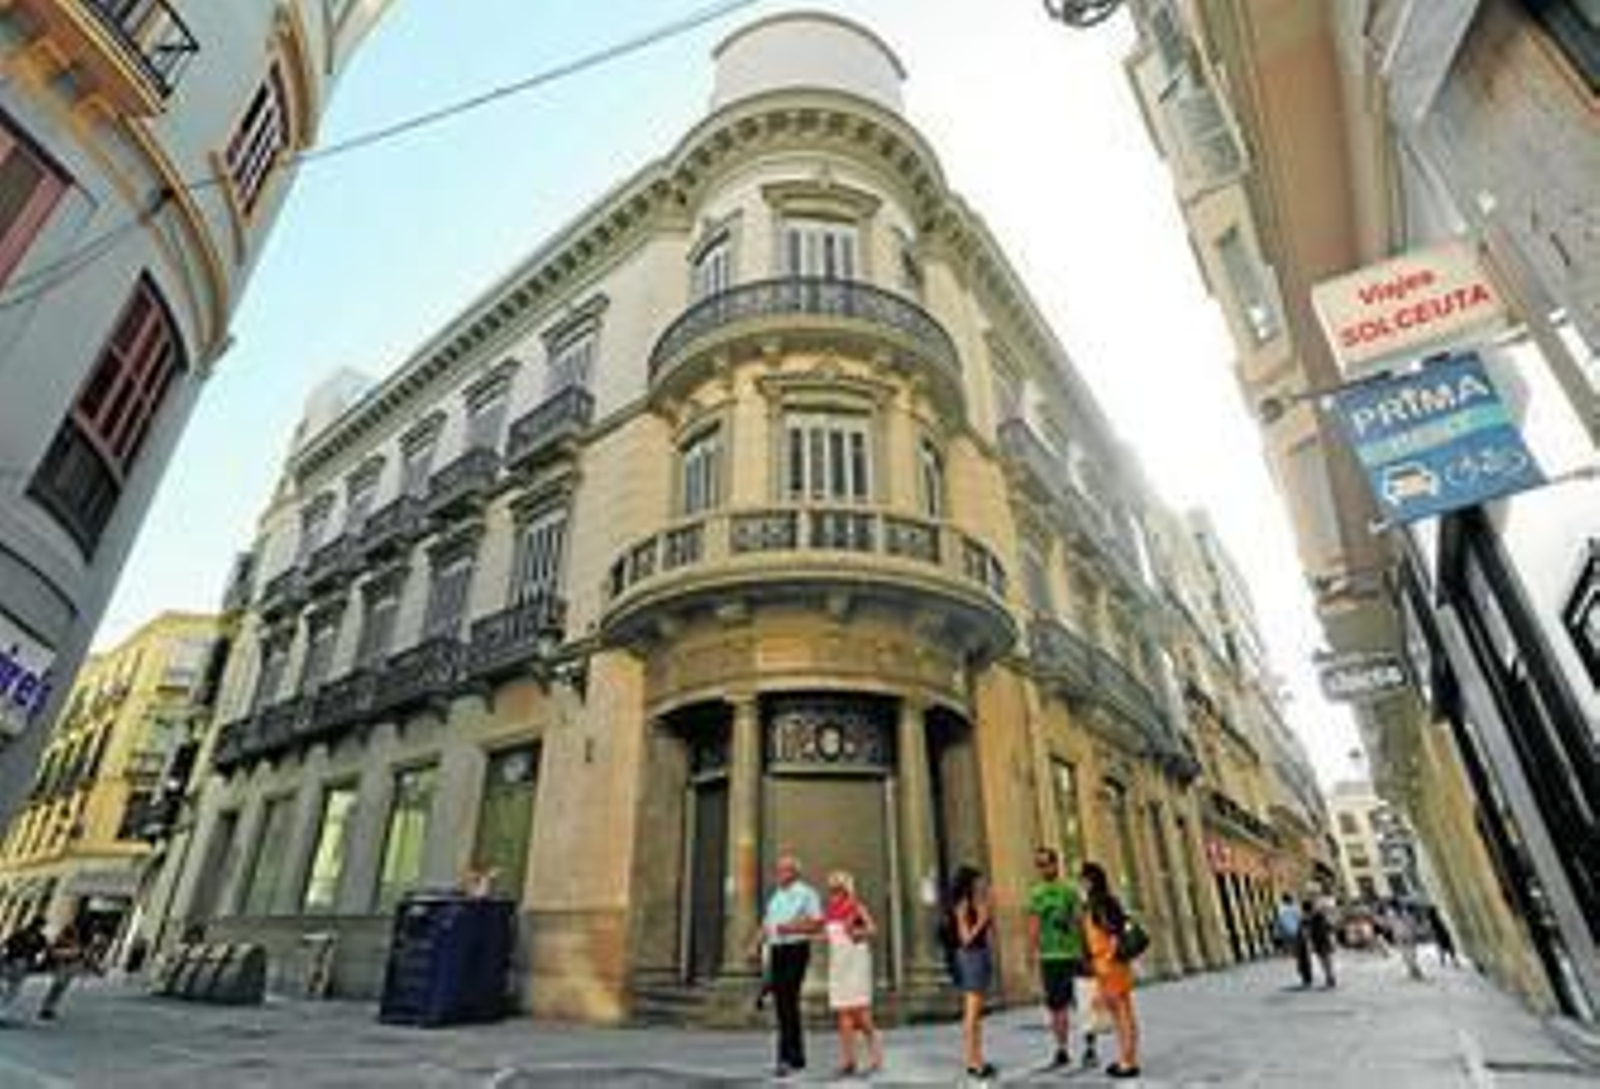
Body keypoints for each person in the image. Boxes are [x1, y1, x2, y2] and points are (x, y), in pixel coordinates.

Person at [756, 854, 822, 1078]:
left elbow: (817, 923)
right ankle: (796, 1057)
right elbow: (767, 924)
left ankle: (784, 1058)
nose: (779, 874)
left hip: (796, 949)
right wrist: (755, 943)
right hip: (777, 951)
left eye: (783, 870)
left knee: (787, 1000)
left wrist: (792, 928)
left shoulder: (807, 893)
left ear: (794, 872)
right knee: (784, 1004)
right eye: (778, 869)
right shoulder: (776, 896)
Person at [1027, 847, 1087, 1069]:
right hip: (1050, 956)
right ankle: (1062, 1049)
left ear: (1055, 864)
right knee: (1056, 1006)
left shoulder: (1069, 890)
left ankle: (1090, 1046)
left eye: (1046, 864)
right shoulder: (1036, 893)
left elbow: (1081, 921)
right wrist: (1031, 952)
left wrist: (1087, 950)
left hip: (1073, 954)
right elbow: (1033, 925)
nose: (1043, 869)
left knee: (1083, 1003)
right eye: (1039, 865)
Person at [1081, 861, 1140, 1080]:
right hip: (1110, 964)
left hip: (1110, 965)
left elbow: (1114, 935)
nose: (1081, 883)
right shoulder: (1099, 903)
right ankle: (1127, 1057)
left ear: (1091, 881)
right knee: (1122, 1012)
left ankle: (1128, 1062)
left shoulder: (1101, 904)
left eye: (1083, 879)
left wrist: (1106, 962)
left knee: (1122, 1013)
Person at [823, 871, 883, 1077]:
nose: (834, 893)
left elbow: (872, 929)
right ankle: (849, 1060)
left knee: (861, 1012)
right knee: (843, 1012)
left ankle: (876, 1055)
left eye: (838, 889)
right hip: (838, 963)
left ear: (846, 889)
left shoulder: (856, 907)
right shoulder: (829, 910)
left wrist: (856, 932)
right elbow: (828, 934)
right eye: (832, 889)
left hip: (856, 961)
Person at [946, 864, 996, 1081]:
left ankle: (978, 1059)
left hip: (980, 955)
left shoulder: (977, 901)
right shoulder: (963, 904)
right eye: (978, 881)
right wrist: (982, 921)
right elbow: (965, 938)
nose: (981, 884)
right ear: (970, 883)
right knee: (971, 1013)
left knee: (976, 1015)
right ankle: (971, 1062)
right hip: (970, 957)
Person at [38, 921, 90, 1021]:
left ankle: (49, 1008)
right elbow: (53, 953)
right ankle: (46, 1008)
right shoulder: (61, 941)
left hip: (69, 968)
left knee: (59, 989)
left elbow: (80, 955)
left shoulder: (74, 943)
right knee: (57, 988)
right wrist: (69, 954)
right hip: (62, 967)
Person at [1, 917, 49, 1013]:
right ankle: (3, 1005)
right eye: (40, 925)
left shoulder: (39, 938)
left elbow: (41, 951)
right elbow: (7, 944)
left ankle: (3, 1006)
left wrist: (36, 962)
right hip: (14, 960)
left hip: (21, 961)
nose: (40, 928)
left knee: (14, 986)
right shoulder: (23, 934)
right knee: (11, 985)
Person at [1275, 893, 1311, 988]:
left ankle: (1304, 975)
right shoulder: (1295, 909)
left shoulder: (1281, 912)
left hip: (1291, 937)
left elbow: (1280, 926)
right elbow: (1302, 920)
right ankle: (1307, 975)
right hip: (1299, 934)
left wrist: (1283, 938)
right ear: (1290, 900)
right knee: (1304, 956)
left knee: (1299, 956)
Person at [1304, 897, 1337, 988]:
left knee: (1325, 960)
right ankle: (1329, 976)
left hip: (1322, 940)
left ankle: (1330, 976)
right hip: (1321, 941)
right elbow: (1330, 927)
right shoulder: (1311, 919)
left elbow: (1329, 927)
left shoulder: (1315, 917)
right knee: (1325, 960)